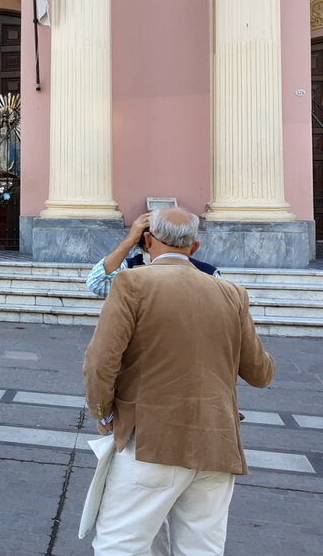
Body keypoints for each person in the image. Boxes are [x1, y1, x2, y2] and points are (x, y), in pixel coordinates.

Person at [83, 207, 275, 555]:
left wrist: (105, 413)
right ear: (195, 247)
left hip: (150, 439)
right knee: (201, 548)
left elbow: (100, 363)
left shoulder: (132, 282)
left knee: (120, 544)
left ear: (148, 241)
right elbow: (260, 374)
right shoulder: (232, 293)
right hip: (216, 441)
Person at [86, 211, 219, 298]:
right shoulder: (129, 271)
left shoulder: (209, 274)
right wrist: (130, 240)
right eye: (165, 243)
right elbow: (96, 282)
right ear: (147, 244)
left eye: (176, 243)